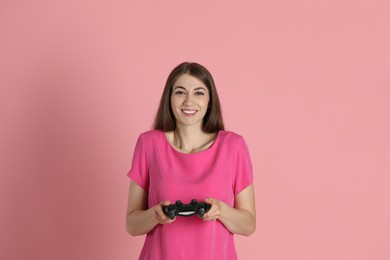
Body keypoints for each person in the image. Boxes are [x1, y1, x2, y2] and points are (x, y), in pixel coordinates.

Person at [126, 62, 256, 260]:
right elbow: (132, 225)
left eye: (198, 93)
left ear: (210, 100)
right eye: (180, 92)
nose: (189, 101)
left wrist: (220, 211)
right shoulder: (148, 144)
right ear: (169, 99)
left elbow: (248, 225)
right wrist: (155, 215)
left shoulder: (233, 146)